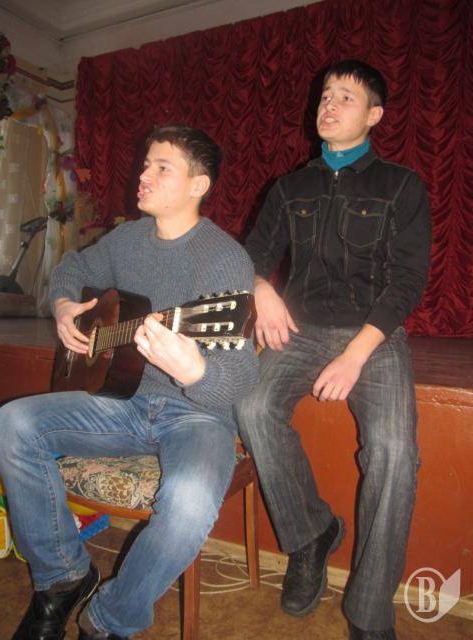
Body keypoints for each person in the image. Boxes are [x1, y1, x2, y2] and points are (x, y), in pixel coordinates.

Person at [0, 124, 258, 640]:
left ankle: (108, 619)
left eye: (162, 167)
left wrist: (197, 372)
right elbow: (72, 266)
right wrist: (65, 306)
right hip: (124, 402)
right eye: (145, 164)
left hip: (198, 417)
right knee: (11, 423)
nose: (144, 174)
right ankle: (63, 577)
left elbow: (242, 377)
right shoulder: (129, 239)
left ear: (198, 185)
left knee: (189, 500)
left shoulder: (224, 259)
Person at [236, 60, 431, 640]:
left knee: (394, 452)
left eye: (346, 97)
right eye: (325, 95)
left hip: (375, 333)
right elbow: (250, 256)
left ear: (375, 115)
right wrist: (262, 288)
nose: (329, 104)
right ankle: (311, 535)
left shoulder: (401, 185)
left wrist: (355, 354)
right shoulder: (289, 187)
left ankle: (369, 613)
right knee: (251, 406)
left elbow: (408, 281)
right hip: (301, 329)